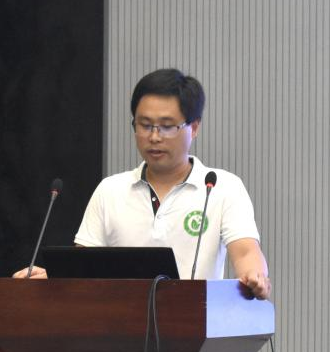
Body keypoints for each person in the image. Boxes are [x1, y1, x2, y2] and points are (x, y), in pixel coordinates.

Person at [15, 68, 271, 299]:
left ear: (194, 128)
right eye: (145, 125)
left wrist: (254, 275)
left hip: (193, 324)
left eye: (167, 127)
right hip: (119, 327)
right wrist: (51, 278)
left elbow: (246, 251)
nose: (154, 137)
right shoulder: (110, 190)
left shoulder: (220, 187)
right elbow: (82, 268)